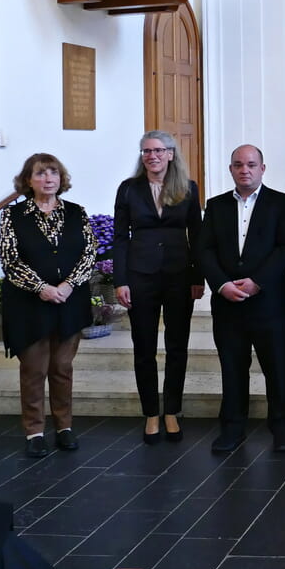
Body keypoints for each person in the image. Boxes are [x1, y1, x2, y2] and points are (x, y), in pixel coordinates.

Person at [196, 145, 285, 455]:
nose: (245, 170)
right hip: (228, 302)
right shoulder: (216, 206)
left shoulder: (282, 203)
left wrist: (257, 282)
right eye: (239, 165)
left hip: (269, 302)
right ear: (231, 169)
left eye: (251, 165)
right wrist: (221, 284)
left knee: (277, 368)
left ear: (262, 168)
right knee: (232, 367)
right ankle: (232, 428)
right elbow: (204, 250)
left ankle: (282, 429)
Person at [0, 153, 96, 458]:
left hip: (69, 300)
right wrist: (41, 288)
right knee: (33, 369)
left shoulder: (77, 213)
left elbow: (90, 252)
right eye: (40, 174)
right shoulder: (12, 216)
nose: (48, 179)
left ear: (61, 178)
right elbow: (9, 259)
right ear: (28, 180)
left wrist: (67, 286)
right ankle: (35, 432)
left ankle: (64, 427)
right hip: (29, 304)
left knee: (62, 368)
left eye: (53, 173)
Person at [113, 131, 204, 445]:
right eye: (146, 151)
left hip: (179, 275)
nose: (151, 156)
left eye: (157, 150)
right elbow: (120, 238)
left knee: (177, 346)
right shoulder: (128, 190)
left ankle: (172, 411)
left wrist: (198, 277)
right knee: (144, 348)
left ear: (170, 154)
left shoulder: (188, 189)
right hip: (141, 275)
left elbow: (198, 235)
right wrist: (121, 280)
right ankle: (151, 412)